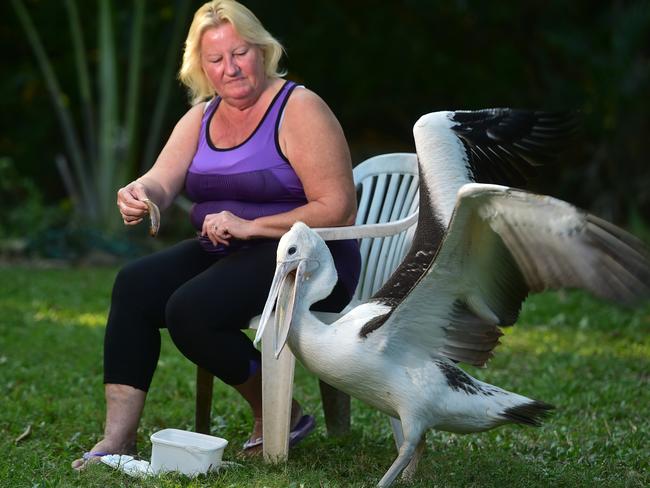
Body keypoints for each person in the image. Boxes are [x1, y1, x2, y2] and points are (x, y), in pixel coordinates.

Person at [72, 0, 360, 469]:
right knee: (134, 285)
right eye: (216, 59)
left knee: (190, 308)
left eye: (240, 53)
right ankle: (117, 439)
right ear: (201, 67)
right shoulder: (202, 117)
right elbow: (162, 180)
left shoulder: (299, 107)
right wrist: (139, 193)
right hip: (230, 251)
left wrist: (250, 225)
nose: (230, 68)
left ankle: (279, 412)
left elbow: (337, 207)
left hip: (307, 257)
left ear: (262, 51)